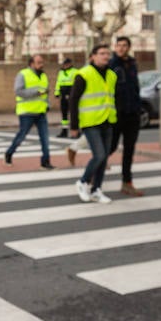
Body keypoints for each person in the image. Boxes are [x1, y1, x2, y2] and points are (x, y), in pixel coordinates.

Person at [70, 44, 117, 203]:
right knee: (99, 155)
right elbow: (73, 100)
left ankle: (97, 189)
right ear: (93, 56)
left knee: (104, 159)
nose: (106, 56)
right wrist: (74, 125)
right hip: (90, 122)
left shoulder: (112, 75)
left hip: (108, 120)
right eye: (102, 53)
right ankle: (82, 182)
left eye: (107, 54)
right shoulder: (83, 74)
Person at [107, 36, 145, 196]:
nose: (121, 48)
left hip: (132, 114)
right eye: (119, 45)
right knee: (111, 146)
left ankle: (127, 183)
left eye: (124, 45)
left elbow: (135, 87)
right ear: (115, 47)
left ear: (129, 47)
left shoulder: (132, 64)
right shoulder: (110, 65)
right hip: (117, 114)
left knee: (129, 150)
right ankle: (92, 172)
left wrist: (139, 108)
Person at [5, 54, 55, 169]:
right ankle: (9, 153)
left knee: (45, 138)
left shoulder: (44, 76)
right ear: (31, 64)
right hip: (26, 112)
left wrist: (47, 104)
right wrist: (36, 92)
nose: (42, 65)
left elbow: (45, 92)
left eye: (42, 62)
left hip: (41, 112)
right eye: (39, 62)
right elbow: (18, 91)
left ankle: (45, 161)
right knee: (21, 136)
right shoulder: (22, 74)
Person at [54, 57, 79, 138]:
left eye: (66, 64)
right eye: (64, 64)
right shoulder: (61, 72)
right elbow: (58, 83)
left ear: (70, 64)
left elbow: (77, 84)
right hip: (63, 95)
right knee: (64, 115)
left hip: (72, 95)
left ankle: (76, 131)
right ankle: (64, 131)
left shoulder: (75, 71)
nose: (65, 65)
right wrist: (57, 93)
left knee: (74, 113)